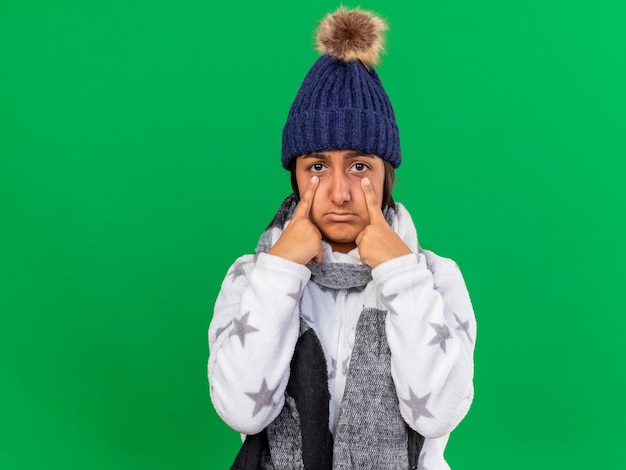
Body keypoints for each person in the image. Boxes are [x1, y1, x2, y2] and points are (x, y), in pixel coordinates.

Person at [208, 7, 476, 469]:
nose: (338, 192)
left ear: (386, 174)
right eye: (316, 166)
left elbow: (438, 415)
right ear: (294, 173)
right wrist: (280, 270)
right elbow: (243, 412)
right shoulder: (252, 276)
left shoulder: (434, 277)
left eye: (359, 167)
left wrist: (400, 274)